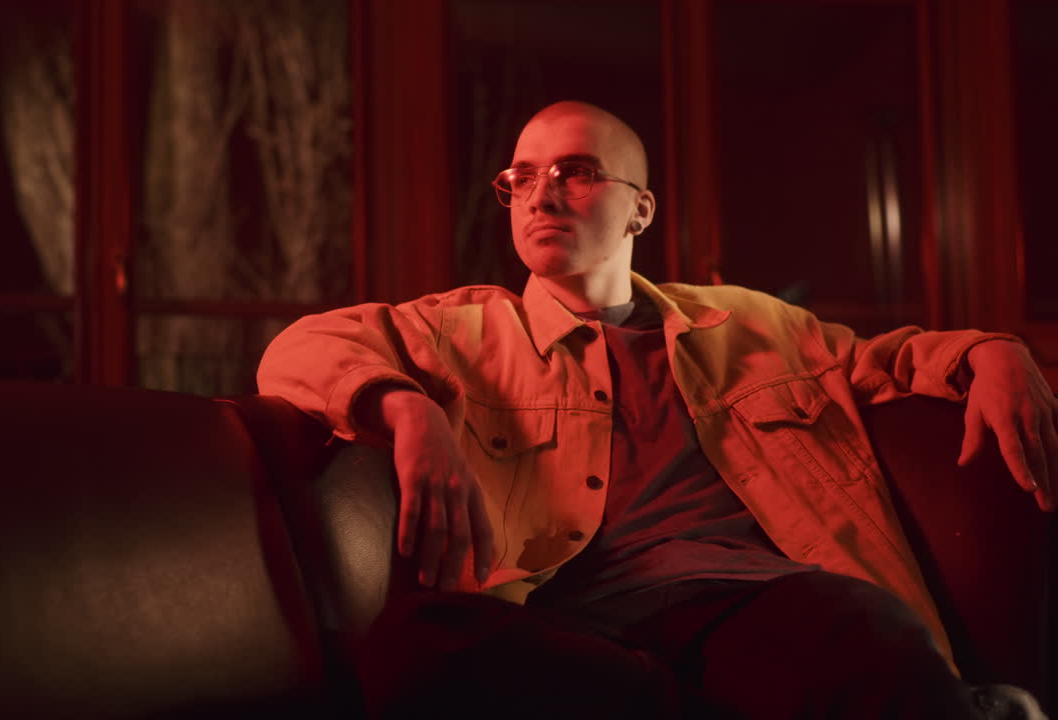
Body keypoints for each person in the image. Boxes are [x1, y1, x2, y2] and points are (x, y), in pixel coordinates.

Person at [256, 100, 1056, 718]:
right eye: (522, 177)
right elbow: (296, 350)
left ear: (640, 210)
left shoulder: (749, 323)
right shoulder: (458, 330)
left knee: (870, 632)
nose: (542, 193)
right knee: (415, 650)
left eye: (575, 171)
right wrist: (407, 410)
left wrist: (993, 351)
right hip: (578, 625)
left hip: (754, 600)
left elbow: (888, 360)